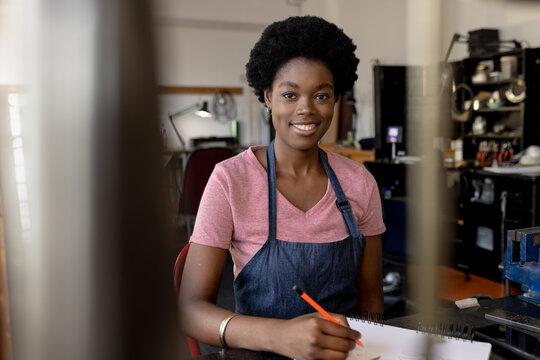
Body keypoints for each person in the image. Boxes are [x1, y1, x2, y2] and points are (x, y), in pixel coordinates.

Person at [178, 15, 385, 360]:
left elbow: (372, 305)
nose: (306, 109)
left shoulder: (359, 183)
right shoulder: (231, 180)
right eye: (290, 94)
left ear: (335, 100)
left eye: (322, 95)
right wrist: (279, 337)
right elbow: (189, 310)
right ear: (267, 96)